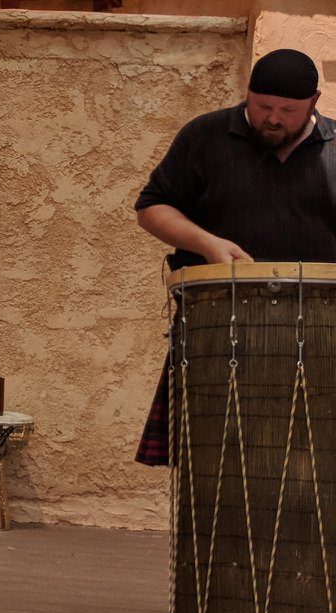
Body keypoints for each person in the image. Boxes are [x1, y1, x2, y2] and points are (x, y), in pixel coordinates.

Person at [133, 47, 336, 463]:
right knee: (214, 459)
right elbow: (152, 208)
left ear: (314, 101)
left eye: (287, 110)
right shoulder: (205, 136)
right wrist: (208, 244)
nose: (273, 118)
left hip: (322, 332)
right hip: (217, 326)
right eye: (262, 106)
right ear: (247, 92)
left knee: (311, 465)